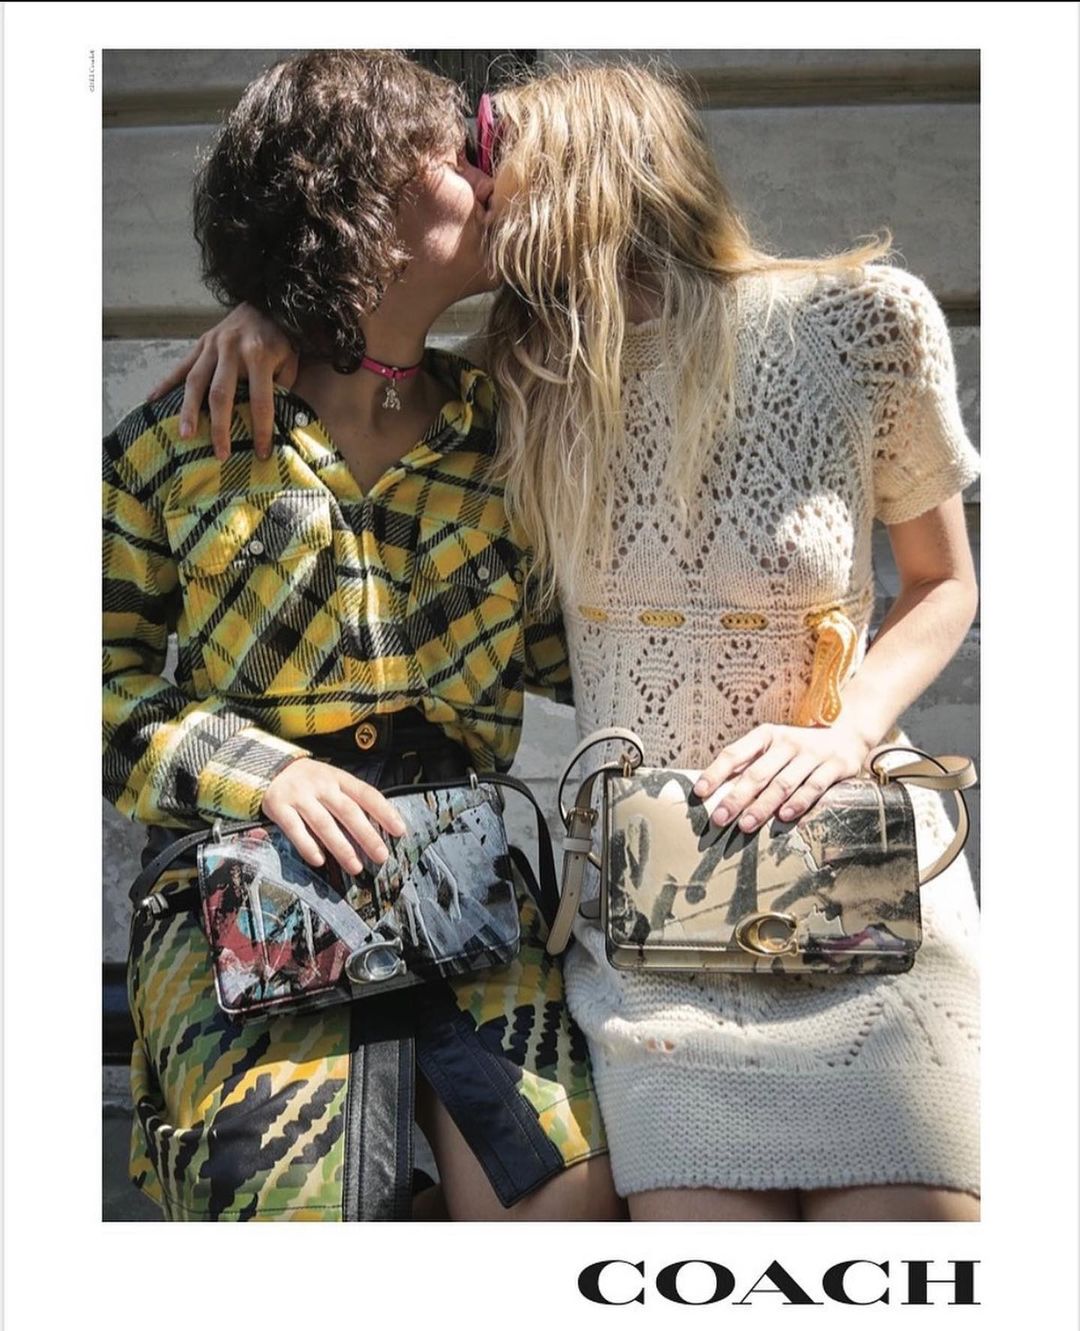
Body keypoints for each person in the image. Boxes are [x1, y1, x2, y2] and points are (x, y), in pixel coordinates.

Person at [158, 59, 982, 1223]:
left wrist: (848, 733)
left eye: (490, 163)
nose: (475, 190)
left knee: (903, 1255)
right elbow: (370, 344)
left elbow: (944, 584)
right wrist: (275, 307)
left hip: (848, 873)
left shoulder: (860, 323)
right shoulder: (525, 378)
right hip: (650, 918)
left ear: (587, 177)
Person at [103, 49, 623, 1222]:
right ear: (357, 199)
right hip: (242, 887)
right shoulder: (179, 440)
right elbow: (88, 676)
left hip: (464, 881)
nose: (490, 180)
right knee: (296, 1209)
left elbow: (585, 653)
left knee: (570, 1197)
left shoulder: (513, 436)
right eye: (454, 158)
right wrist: (262, 771)